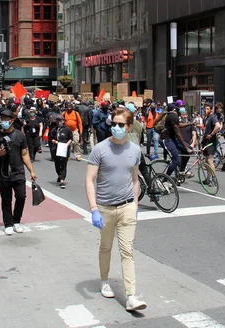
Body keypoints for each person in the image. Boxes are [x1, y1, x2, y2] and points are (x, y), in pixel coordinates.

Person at [85, 107, 147, 312]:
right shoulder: (100, 149)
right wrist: (93, 208)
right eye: (114, 124)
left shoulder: (135, 150)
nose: (116, 127)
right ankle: (104, 280)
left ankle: (131, 296)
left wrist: (135, 205)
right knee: (105, 247)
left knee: (127, 251)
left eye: (121, 124)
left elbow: (135, 179)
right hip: (104, 207)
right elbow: (89, 179)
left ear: (129, 127)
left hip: (127, 206)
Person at [0, 109, 38, 235]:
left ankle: (16, 221)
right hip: (3, 173)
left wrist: (31, 171)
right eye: (2, 118)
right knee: (6, 199)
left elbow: (25, 154)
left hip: (18, 172)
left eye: (7, 119)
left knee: (21, 196)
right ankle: (8, 223)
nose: (4, 121)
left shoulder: (20, 136)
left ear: (12, 120)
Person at [161, 103, 191, 178]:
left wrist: (190, 123)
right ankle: (165, 179)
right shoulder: (173, 116)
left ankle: (182, 170)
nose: (182, 109)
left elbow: (178, 125)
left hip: (172, 138)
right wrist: (185, 145)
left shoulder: (174, 116)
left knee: (188, 151)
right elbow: (178, 134)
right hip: (166, 139)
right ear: (175, 109)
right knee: (176, 160)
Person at [49, 115, 72, 189]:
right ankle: (59, 175)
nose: (59, 122)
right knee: (57, 164)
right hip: (56, 148)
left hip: (64, 149)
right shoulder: (54, 130)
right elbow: (51, 138)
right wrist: (55, 142)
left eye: (60, 120)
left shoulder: (67, 129)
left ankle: (62, 180)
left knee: (64, 164)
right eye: (57, 120)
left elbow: (70, 138)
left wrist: (66, 145)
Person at [202, 102, 221, 172]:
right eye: (204, 109)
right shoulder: (207, 118)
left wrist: (211, 134)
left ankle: (213, 178)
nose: (205, 110)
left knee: (210, 160)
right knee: (207, 160)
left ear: (211, 110)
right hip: (206, 140)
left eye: (207, 109)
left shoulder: (213, 117)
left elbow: (218, 126)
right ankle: (208, 178)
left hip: (211, 141)